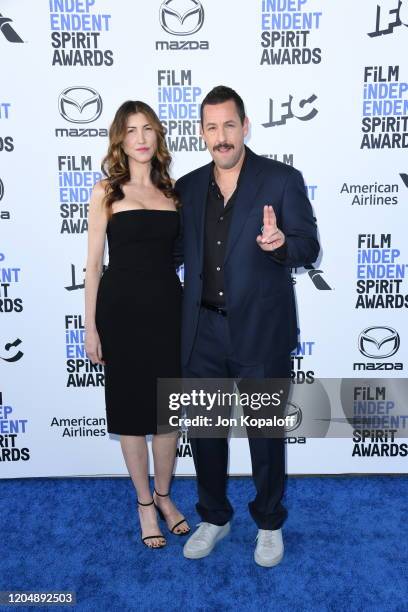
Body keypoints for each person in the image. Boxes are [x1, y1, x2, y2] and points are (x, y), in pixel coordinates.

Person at [175, 86, 319, 566]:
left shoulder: (280, 179)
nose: (222, 137)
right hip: (202, 333)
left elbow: (308, 248)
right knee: (206, 434)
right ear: (202, 132)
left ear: (245, 126)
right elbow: (173, 254)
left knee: (265, 435)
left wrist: (280, 243)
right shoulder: (189, 188)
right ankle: (214, 515)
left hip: (261, 332)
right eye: (212, 127)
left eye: (229, 125)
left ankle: (269, 522)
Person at [84, 100, 190, 549]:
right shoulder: (106, 191)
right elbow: (92, 267)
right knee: (130, 413)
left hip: (169, 312)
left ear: (157, 136)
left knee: (167, 414)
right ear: (120, 139)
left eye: (148, 129)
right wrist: (90, 328)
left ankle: (165, 497)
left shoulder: (174, 194)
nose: (141, 138)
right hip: (121, 314)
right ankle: (144, 503)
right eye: (131, 131)